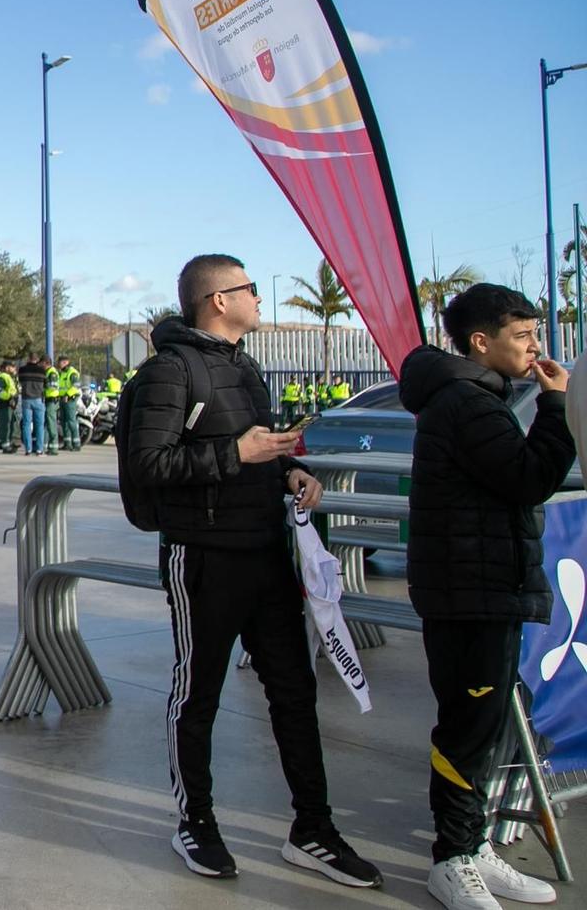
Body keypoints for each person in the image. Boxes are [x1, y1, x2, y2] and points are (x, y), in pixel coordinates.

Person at [119, 254, 380, 888]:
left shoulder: (246, 367)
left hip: (267, 554)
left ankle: (312, 829)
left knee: (295, 692)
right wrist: (235, 452)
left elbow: (255, 454)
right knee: (196, 693)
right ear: (217, 300)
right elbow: (147, 466)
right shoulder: (167, 373)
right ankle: (196, 823)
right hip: (202, 557)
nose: (260, 299)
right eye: (249, 289)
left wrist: (290, 471)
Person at [399, 285, 576, 910]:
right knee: (468, 730)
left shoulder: (475, 397)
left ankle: (472, 847)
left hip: (480, 588)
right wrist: (555, 407)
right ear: (482, 342)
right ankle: (451, 859)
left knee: (487, 723)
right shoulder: (467, 403)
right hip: (468, 594)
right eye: (523, 336)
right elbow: (530, 477)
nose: (535, 347)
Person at [18, 355, 49, 457]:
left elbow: (20, 382)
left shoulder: (22, 370)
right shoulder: (42, 371)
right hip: (38, 399)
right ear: (37, 360)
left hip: (26, 399)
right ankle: (39, 450)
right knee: (39, 425)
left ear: (28, 359)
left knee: (26, 424)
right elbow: (46, 384)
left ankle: (28, 449)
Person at [52, 354, 82, 451]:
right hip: (61, 399)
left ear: (66, 362)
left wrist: (67, 395)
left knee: (71, 421)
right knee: (64, 421)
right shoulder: (61, 373)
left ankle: (76, 444)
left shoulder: (72, 373)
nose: (58, 364)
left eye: (60, 362)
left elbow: (76, 386)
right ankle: (67, 443)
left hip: (70, 399)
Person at [0, 360, 19, 453]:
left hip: (9, 404)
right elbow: (0, 392)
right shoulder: (2, 377)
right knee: (6, 425)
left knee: (8, 424)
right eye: (12, 367)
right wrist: (9, 398)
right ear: (7, 367)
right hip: (5, 404)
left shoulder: (8, 377)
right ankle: (5, 445)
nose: (14, 369)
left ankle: (3, 443)